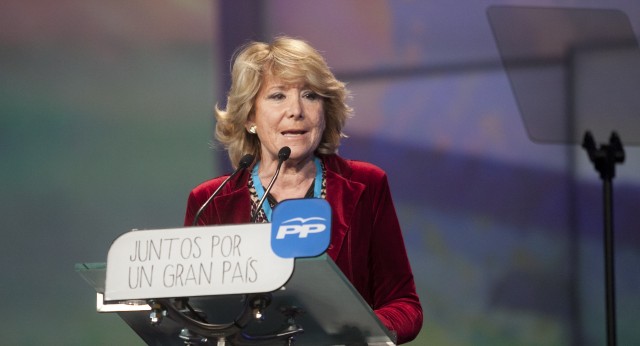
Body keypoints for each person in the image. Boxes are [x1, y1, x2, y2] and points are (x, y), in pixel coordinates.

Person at [184, 36, 422, 344]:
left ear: (325, 112)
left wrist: (362, 331)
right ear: (250, 118)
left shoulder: (366, 185)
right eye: (278, 96)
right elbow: (194, 315)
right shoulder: (211, 202)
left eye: (310, 95)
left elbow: (405, 305)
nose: (296, 110)